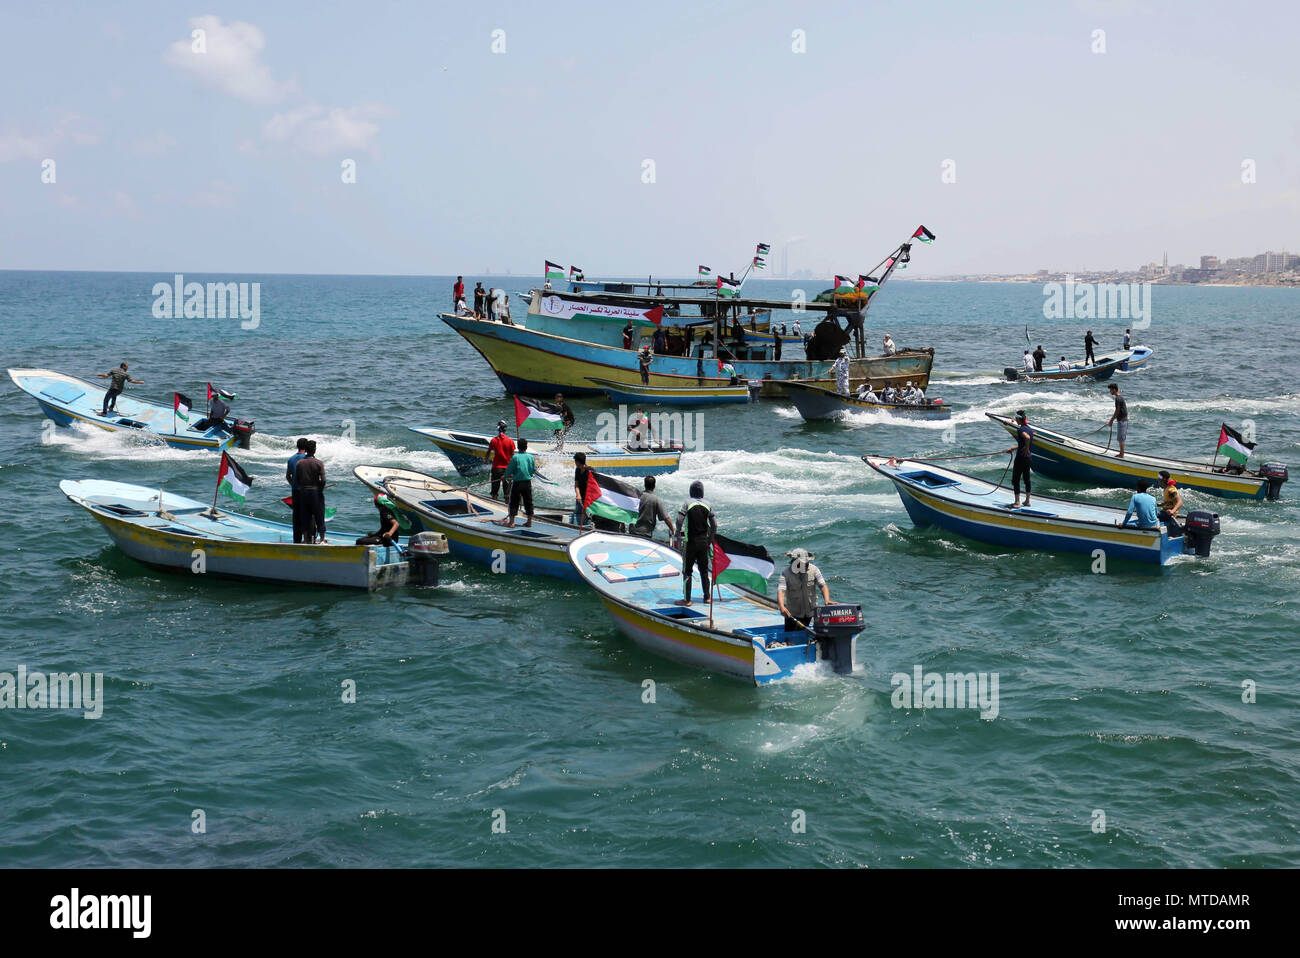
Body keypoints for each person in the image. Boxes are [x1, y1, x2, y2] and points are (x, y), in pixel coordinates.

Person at [675, 480, 716, 606]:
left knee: (687, 571)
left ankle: (687, 599)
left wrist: (678, 532)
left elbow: (679, 519)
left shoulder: (687, 503)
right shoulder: (708, 504)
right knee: (704, 570)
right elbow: (714, 525)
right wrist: (710, 539)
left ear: (691, 491)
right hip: (704, 543)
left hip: (690, 542)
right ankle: (707, 597)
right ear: (702, 492)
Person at [777, 548, 830, 634]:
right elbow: (781, 591)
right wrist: (782, 607)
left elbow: (823, 586)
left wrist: (827, 600)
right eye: (802, 564)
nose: (806, 565)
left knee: (808, 636)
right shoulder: (786, 573)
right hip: (792, 614)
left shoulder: (814, 570)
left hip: (810, 613)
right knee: (790, 638)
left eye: (806, 563)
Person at [294, 440, 327, 543]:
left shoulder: (299, 463)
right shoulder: (319, 463)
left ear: (306, 450)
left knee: (305, 516)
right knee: (319, 516)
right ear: (314, 450)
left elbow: (296, 480)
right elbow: (324, 480)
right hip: (315, 493)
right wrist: (320, 488)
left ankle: (305, 539)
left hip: (303, 493)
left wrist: (303, 487)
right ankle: (322, 539)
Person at [502, 437, 537, 528]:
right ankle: (529, 522)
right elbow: (533, 470)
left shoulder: (515, 457)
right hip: (527, 483)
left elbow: (509, 470)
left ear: (518, 447)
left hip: (517, 483)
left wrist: (504, 476)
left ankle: (512, 523)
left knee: (514, 502)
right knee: (528, 502)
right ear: (526, 447)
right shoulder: (530, 457)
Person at [1003, 410, 1033, 508]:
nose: (1015, 420)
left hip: (1021, 458)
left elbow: (1027, 438)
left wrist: (1026, 447)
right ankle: (1027, 501)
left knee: (1015, 480)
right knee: (1026, 479)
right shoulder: (1029, 428)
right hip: (1028, 457)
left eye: (1016, 419)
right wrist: (1014, 448)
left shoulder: (1021, 430)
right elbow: (1025, 441)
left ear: (1019, 419)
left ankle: (1017, 502)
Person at [286, 437, 310, 543]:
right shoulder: (307, 459)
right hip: (306, 491)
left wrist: (293, 485)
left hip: (295, 491)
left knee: (296, 516)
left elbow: (288, 476)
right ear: (306, 447)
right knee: (307, 515)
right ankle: (307, 539)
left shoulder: (291, 459)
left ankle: (297, 540)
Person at [487, 420, 515, 500]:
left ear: (498, 429)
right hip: (507, 468)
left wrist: (486, 460)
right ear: (505, 429)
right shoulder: (510, 441)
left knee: (495, 488)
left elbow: (488, 452)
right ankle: (507, 504)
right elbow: (513, 456)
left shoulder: (493, 440)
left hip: (496, 468)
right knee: (507, 490)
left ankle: (495, 501)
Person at [1105, 382, 1129, 458]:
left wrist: (1111, 421)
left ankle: (1121, 455)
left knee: (1121, 439)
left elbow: (1117, 410)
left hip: (1122, 421)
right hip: (1123, 420)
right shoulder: (1120, 397)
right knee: (1120, 438)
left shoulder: (1118, 399)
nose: (1110, 391)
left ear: (1114, 390)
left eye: (1111, 390)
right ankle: (1121, 453)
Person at [1156, 470, 1184, 536]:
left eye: (1159, 477)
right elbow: (1170, 502)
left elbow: (1180, 502)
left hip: (1169, 515)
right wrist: (1161, 504)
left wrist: (1172, 511)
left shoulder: (1171, 490)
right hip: (1165, 512)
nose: (1157, 478)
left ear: (1163, 479)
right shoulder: (1166, 488)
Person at [573, 452, 593, 529]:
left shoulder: (590, 471)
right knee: (578, 514)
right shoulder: (577, 470)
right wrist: (578, 495)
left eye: (575, 461)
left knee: (587, 517)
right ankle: (579, 529)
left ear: (578, 462)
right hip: (580, 499)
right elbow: (576, 485)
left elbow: (594, 487)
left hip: (588, 500)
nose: (575, 463)